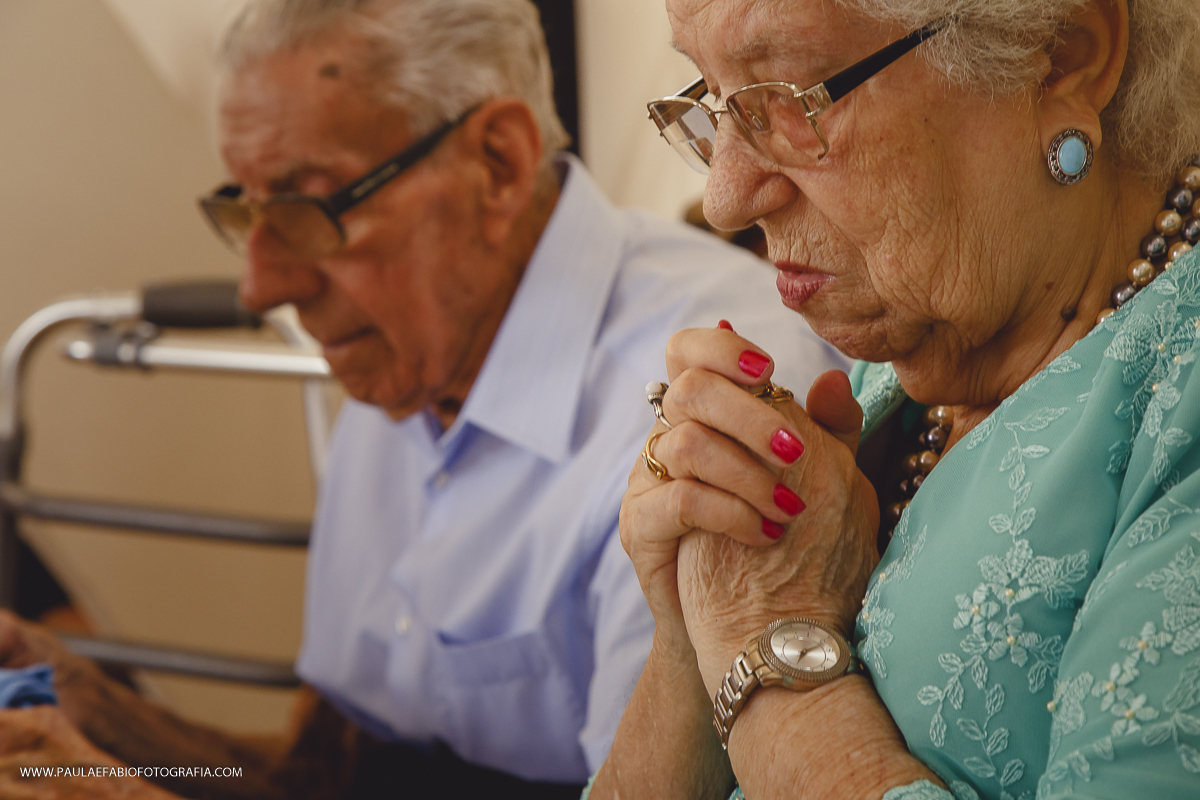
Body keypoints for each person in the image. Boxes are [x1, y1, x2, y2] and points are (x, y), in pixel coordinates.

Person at [0, 1, 845, 798]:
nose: (261, 284)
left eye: (304, 208)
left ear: (498, 164)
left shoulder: (708, 404)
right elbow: (323, 779)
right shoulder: (407, 355)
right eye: (246, 210)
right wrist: (86, 710)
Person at [589, 0, 1200, 798]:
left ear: (1060, 55)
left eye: (786, 96)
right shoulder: (916, 360)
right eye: (711, 98)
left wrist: (771, 647)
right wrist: (694, 611)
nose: (726, 198)